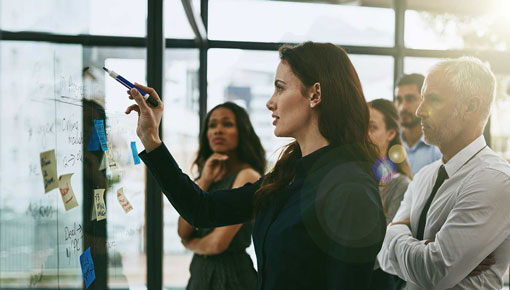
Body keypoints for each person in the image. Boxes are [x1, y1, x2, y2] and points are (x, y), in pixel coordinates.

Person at [126, 41, 387, 290]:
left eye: (280, 88)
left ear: (315, 94)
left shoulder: (351, 188)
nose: (270, 101)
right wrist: (151, 139)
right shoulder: (288, 175)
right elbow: (201, 209)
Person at [378, 57, 510, 289]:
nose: (419, 111)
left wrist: (394, 231)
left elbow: (433, 271)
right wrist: (420, 246)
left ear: (470, 106)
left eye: (433, 99)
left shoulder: (494, 179)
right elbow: (383, 257)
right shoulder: (424, 176)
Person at [177, 102, 264, 290]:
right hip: (200, 274)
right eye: (212, 125)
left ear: (241, 132)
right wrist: (206, 180)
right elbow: (183, 230)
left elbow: (217, 244)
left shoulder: (248, 176)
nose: (218, 130)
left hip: (231, 277)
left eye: (227, 124)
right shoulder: (208, 174)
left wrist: (190, 244)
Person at [367, 99, 413, 290]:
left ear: (391, 133)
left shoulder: (400, 185)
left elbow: (387, 249)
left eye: (371, 127)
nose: (364, 134)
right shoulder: (354, 179)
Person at [395, 74, 441, 175]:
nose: (402, 108)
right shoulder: (390, 143)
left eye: (410, 99)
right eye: (399, 100)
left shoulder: (439, 150)